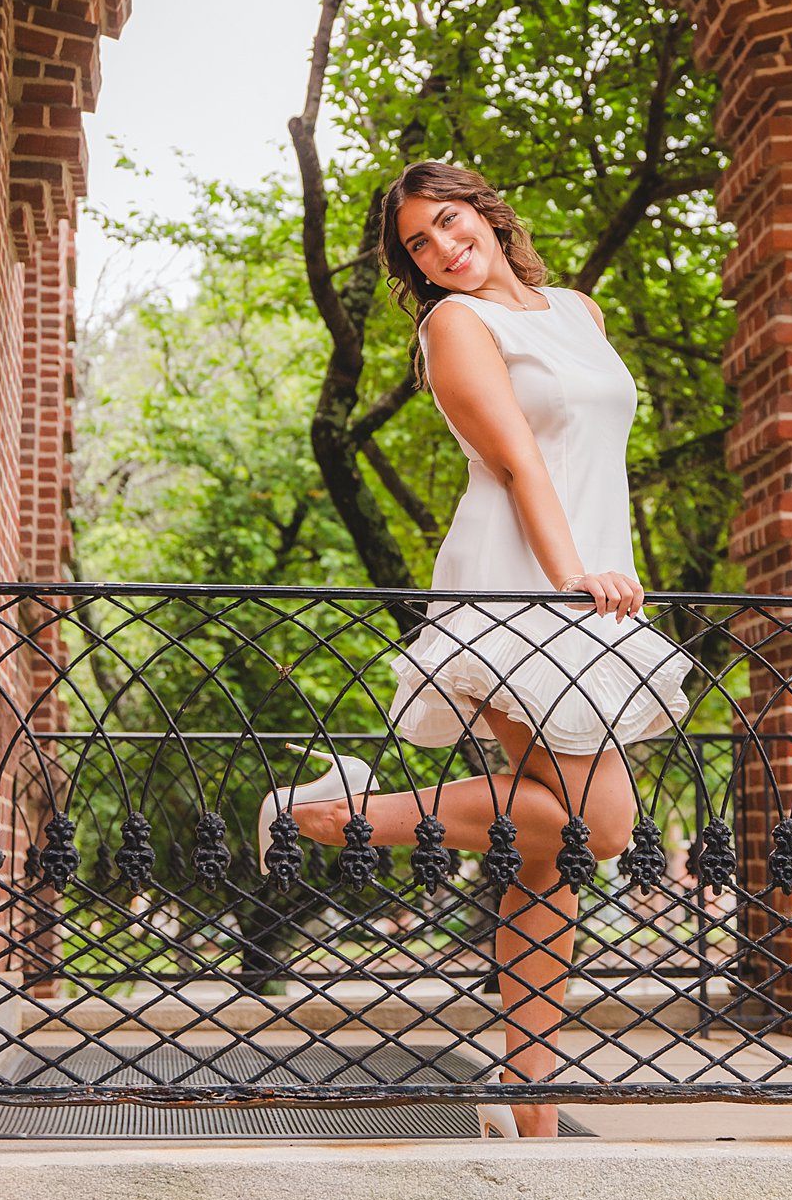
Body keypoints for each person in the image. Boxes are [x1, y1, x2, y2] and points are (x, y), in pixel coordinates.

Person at [259, 160, 692, 1137]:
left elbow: (593, 455)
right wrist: (572, 574)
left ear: (488, 215)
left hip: (591, 587)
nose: (441, 249)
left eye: (450, 222)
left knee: (549, 856)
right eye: (418, 243)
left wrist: (597, 576)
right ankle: (320, 814)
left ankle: (527, 1101)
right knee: (601, 826)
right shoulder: (453, 325)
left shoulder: (577, 310)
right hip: (514, 587)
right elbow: (515, 458)